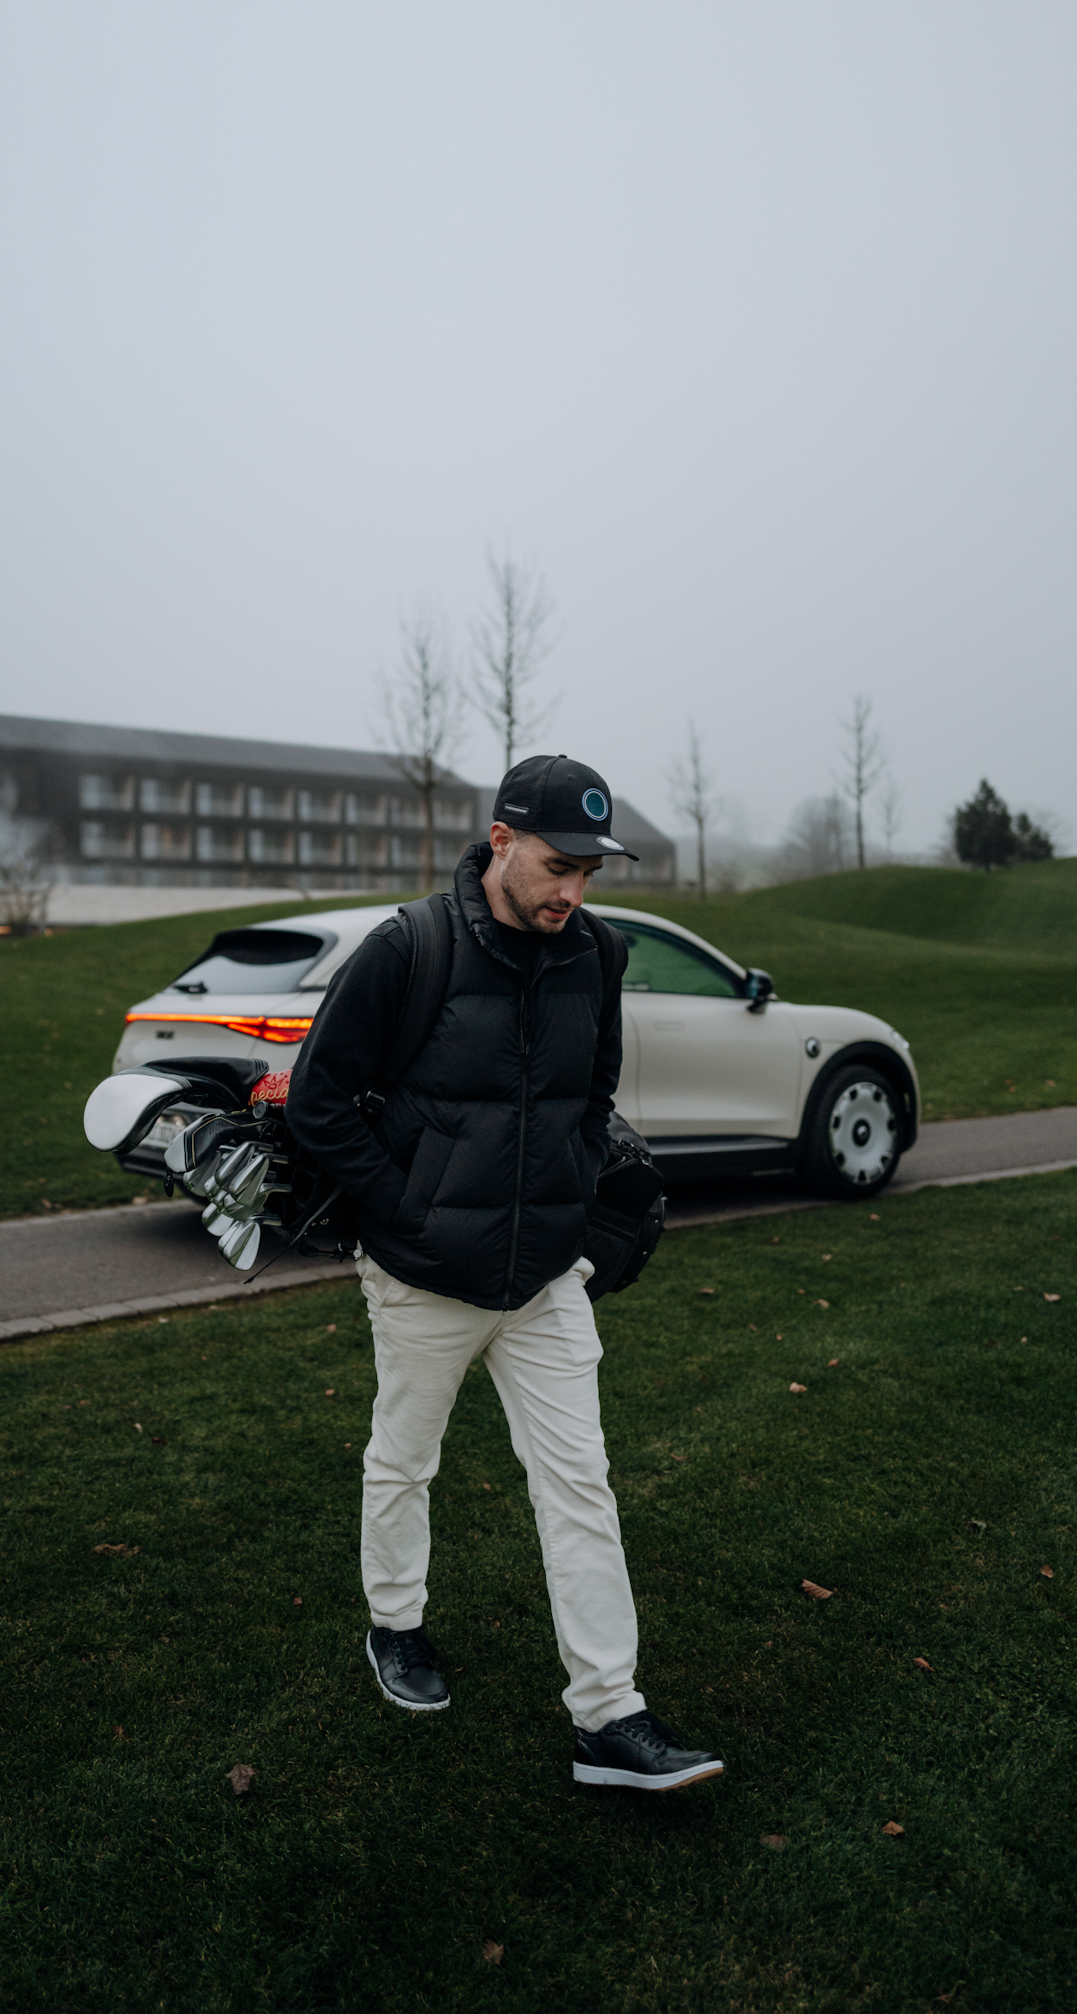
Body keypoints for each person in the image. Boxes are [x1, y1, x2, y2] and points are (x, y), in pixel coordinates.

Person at [286, 754, 723, 1792]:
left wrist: (570, 1211)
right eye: (556, 863)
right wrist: (407, 1205)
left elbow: (590, 1095)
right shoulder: (410, 947)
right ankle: (396, 1624)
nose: (571, 889)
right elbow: (317, 1102)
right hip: (422, 1272)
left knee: (580, 1481)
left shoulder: (597, 955)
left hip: (543, 1279)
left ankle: (609, 1716)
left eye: (589, 869)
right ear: (499, 842)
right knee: (406, 1456)